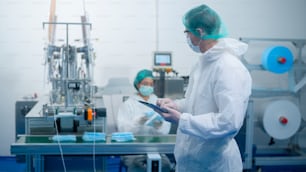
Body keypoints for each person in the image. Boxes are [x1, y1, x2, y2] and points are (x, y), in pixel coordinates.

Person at [156, 4, 252, 172]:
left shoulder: (228, 67)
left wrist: (181, 119)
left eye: (187, 32)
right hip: (193, 161)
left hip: (215, 164)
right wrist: (176, 105)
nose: (187, 37)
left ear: (199, 32)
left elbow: (228, 122)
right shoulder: (202, 63)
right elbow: (196, 103)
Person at [117, 69, 172, 172]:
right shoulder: (128, 104)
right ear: (138, 84)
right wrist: (138, 122)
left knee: (165, 167)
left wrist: (159, 126)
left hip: (156, 149)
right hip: (134, 151)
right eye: (145, 84)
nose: (149, 87)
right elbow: (123, 129)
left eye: (151, 84)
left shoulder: (158, 102)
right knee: (139, 168)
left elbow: (166, 130)